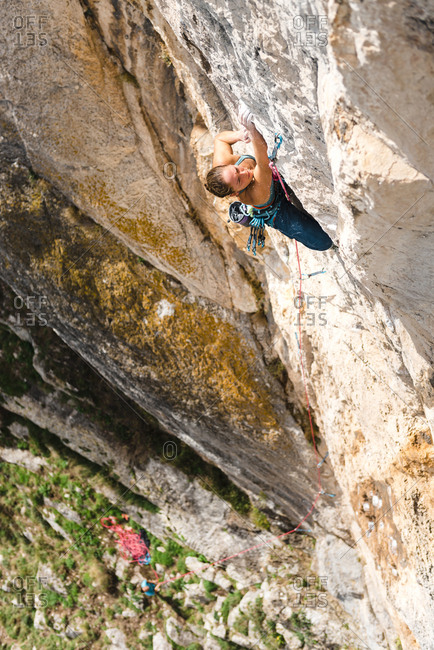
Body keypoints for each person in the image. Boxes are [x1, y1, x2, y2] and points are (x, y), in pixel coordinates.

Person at [204, 104, 333, 252]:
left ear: (225, 166)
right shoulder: (252, 195)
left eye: (236, 169)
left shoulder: (222, 166)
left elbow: (220, 140)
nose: (243, 172)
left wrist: (239, 135)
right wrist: (251, 129)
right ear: (234, 193)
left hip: (269, 180)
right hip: (276, 209)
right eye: (239, 180)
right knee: (323, 242)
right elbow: (263, 162)